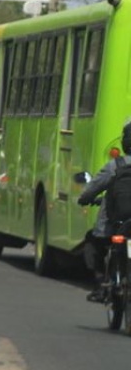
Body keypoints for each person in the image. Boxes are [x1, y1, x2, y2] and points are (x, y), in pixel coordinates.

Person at [78, 122, 131, 302]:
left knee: (93, 242)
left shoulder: (115, 165)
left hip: (116, 226)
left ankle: (100, 284)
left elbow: (91, 190)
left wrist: (84, 199)